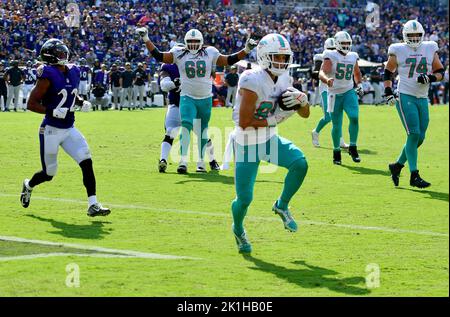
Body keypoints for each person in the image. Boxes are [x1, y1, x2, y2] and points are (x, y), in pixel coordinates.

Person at [136, 26, 258, 173]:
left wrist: (246, 50)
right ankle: (183, 161)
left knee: (202, 132)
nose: (193, 44)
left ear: (201, 42)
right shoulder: (179, 53)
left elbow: (228, 60)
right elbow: (159, 55)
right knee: (186, 125)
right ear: (185, 42)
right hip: (186, 97)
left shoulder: (210, 52)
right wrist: (146, 39)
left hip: (205, 98)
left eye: (196, 41)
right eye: (190, 41)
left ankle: (201, 163)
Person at [230, 33, 310, 253]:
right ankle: (238, 229)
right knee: (245, 199)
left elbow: (305, 114)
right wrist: (277, 119)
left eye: (285, 58)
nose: (282, 62)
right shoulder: (250, 78)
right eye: (277, 57)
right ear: (264, 56)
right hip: (247, 143)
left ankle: (282, 205)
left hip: (268, 139)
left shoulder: (285, 78)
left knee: (300, 163)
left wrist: (303, 102)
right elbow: (245, 122)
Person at [20, 39, 110, 217]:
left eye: (64, 52)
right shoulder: (47, 74)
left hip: (69, 128)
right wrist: (52, 112)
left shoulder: (74, 70)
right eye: (59, 53)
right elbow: (31, 104)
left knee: (86, 161)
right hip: (51, 129)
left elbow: (69, 93)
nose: (64, 56)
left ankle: (93, 204)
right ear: (50, 56)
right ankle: (28, 185)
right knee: (49, 173)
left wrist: (81, 101)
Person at [385, 20, 445, 188]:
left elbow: (440, 71)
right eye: (410, 35)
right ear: (404, 35)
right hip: (405, 95)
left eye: (416, 35)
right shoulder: (398, 49)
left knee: (420, 137)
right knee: (413, 134)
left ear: (422, 35)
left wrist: (430, 78)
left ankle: (396, 166)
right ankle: (414, 174)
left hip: (422, 97)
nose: (413, 38)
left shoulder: (429, 47)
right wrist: (388, 91)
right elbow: (388, 72)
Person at [158, 61, 220, 173]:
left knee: (202, 133)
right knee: (170, 132)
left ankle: (212, 160)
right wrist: (174, 84)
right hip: (176, 105)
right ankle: (163, 160)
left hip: (193, 105)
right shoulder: (169, 67)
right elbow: (163, 85)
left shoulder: (195, 63)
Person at [319, 31, 364, 165]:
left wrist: (359, 84)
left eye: (347, 43)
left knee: (354, 117)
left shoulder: (352, 56)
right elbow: (322, 72)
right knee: (336, 125)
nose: (346, 45)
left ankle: (353, 147)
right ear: (337, 43)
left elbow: (356, 72)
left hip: (349, 91)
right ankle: (336, 151)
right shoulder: (330, 55)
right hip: (333, 93)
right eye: (343, 43)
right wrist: (327, 80)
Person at [311, 38, 349, 149]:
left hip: (336, 88)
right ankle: (316, 132)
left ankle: (340, 140)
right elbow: (316, 72)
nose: (332, 51)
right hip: (325, 88)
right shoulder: (321, 57)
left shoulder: (341, 56)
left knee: (338, 115)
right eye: (330, 49)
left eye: (334, 49)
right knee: (328, 117)